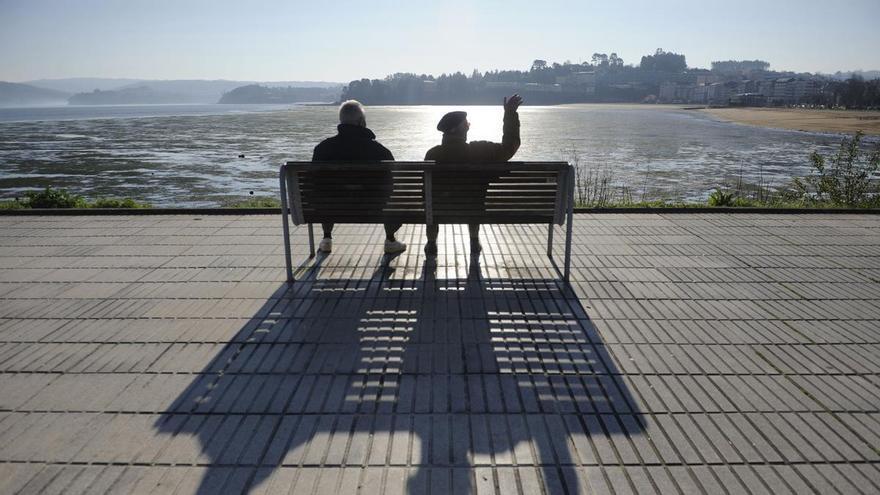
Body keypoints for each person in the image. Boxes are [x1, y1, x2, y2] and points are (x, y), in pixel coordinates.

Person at [423, 94, 523, 256]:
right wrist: (510, 114)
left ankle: (432, 243)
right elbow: (509, 147)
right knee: (473, 201)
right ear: (457, 130)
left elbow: (424, 193)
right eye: (466, 124)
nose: (469, 126)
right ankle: (474, 241)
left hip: (439, 210)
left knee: (432, 204)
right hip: (473, 209)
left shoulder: (432, 154)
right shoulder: (479, 151)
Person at [311, 100, 405, 254]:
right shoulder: (380, 151)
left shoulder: (323, 148)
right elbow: (393, 184)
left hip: (333, 207)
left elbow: (315, 184)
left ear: (342, 121)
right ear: (362, 122)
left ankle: (326, 238)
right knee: (393, 194)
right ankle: (390, 239)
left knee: (325, 192)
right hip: (373, 207)